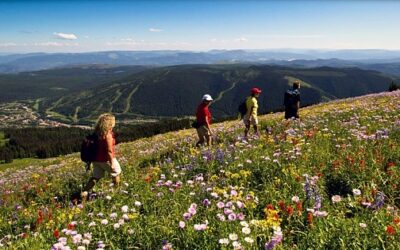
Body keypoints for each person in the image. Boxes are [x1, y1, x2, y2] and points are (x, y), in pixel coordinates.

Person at [81, 113, 121, 199]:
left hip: (96, 160)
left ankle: (84, 192)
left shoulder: (97, 133)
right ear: (110, 123)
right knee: (116, 173)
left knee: (96, 177)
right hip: (106, 160)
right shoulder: (108, 134)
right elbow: (109, 150)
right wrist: (112, 163)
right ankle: (116, 192)